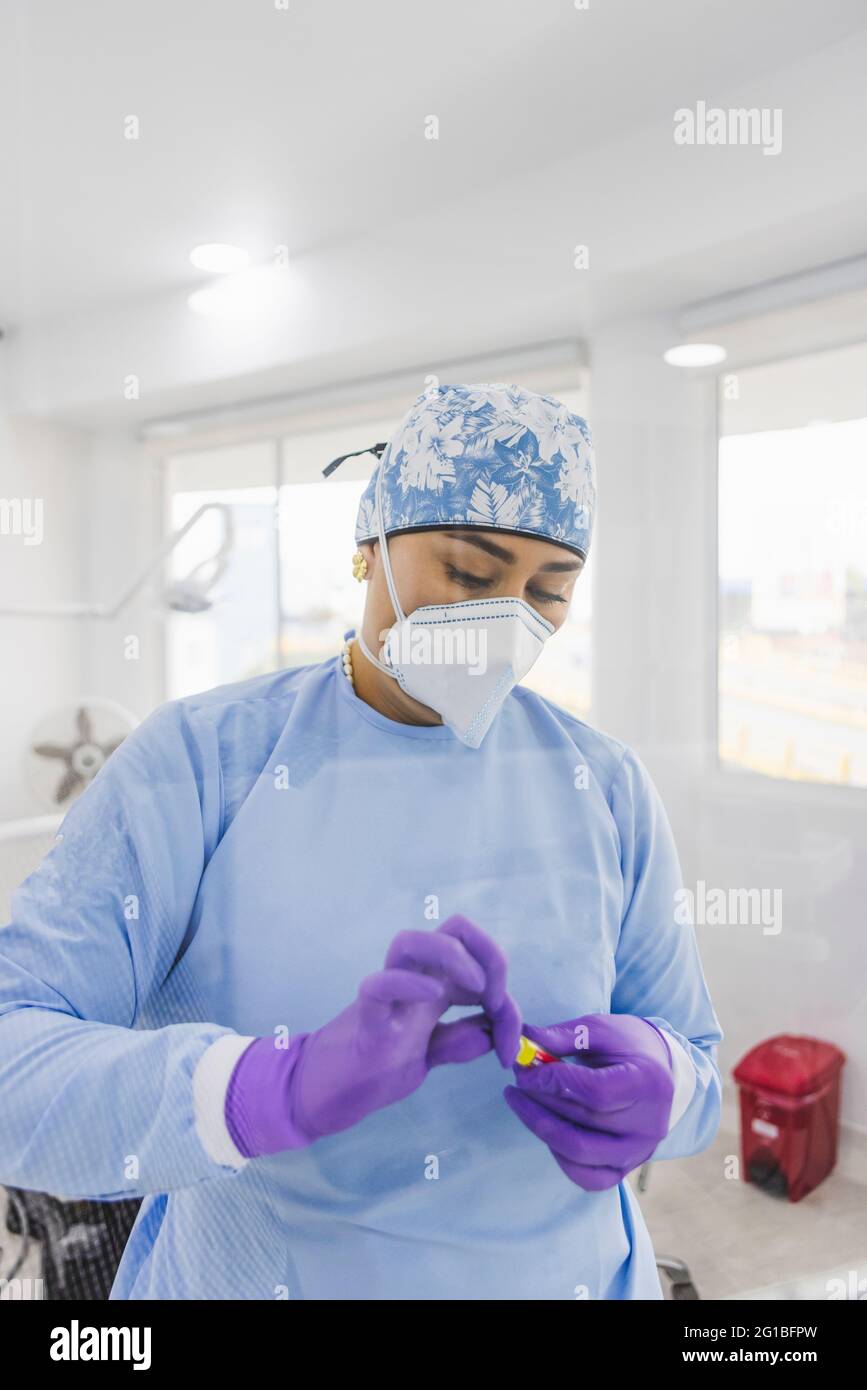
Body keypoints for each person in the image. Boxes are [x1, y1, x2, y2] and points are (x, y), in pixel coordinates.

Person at [0, 382, 723, 1300]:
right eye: (468, 573)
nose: (507, 621)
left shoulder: (603, 785)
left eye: (549, 592)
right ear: (367, 546)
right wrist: (263, 1090)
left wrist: (665, 1095)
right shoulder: (201, 766)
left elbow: (693, 1057)